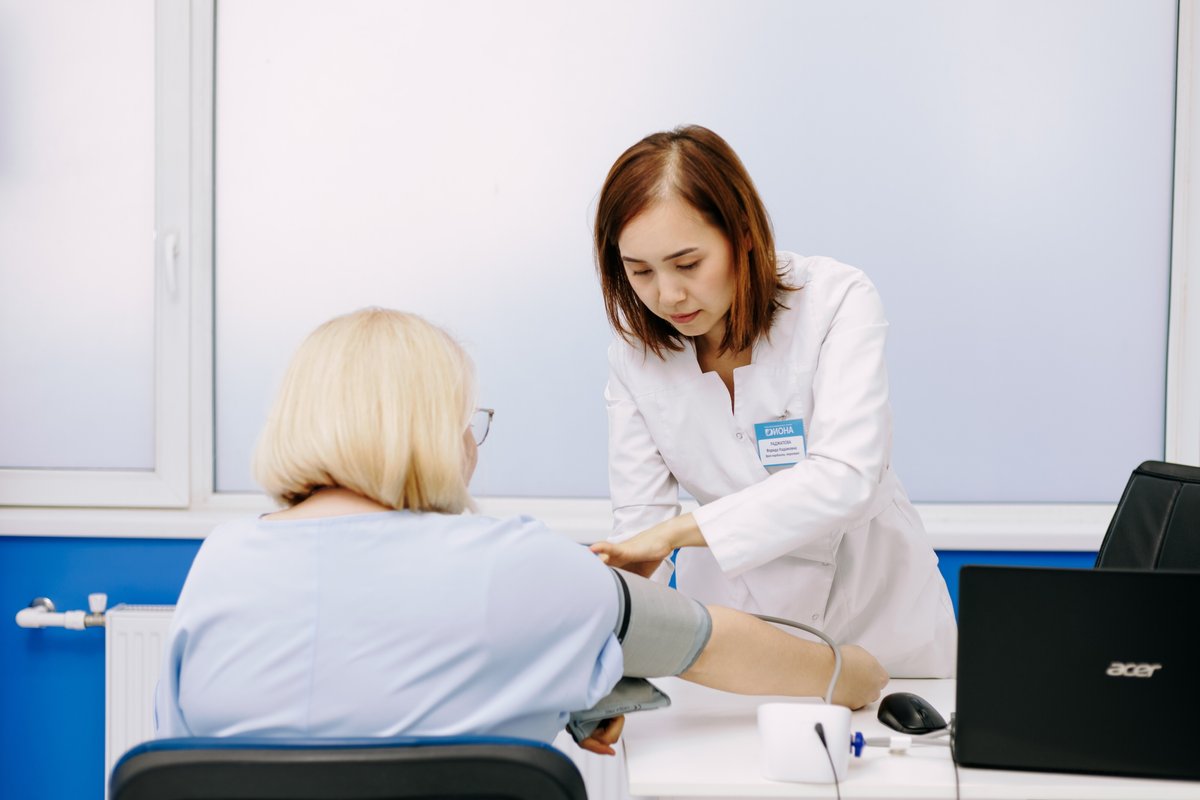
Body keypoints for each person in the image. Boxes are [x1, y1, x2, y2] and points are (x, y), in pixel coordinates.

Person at [155, 307, 887, 756]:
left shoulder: (221, 565)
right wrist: (864, 675)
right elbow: (713, 645)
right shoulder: (525, 567)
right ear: (434, 434)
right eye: (468, 422)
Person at [589, 125, 957, 677]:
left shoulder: (834, 299)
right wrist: (612, 626)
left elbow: (845, 476)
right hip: (741, 637)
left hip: (879, 619)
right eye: (639, 271)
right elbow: (640, 528)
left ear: (743, 233)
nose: (667, 295)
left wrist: (677, 534)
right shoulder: (634, 356)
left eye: (687, 264)